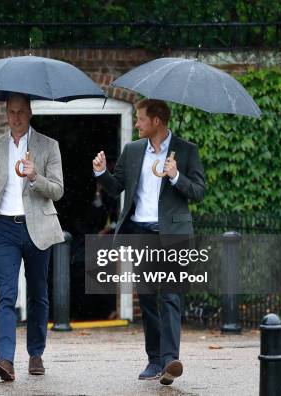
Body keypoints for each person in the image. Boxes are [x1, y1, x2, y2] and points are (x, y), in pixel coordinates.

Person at [92, 99, 205, 386]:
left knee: (170, 297)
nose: (138, 124)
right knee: (147, 299)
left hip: (172, 235)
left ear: (156, 121)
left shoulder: (187, 151)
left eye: (141, 119)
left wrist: (176, 176)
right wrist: (101, 172)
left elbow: (199, 191)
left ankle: (170, 361)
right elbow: (117, 187)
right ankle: (154, 359)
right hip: (140, 234)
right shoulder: (132, 151)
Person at [0, 94, 64, 381]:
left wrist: (35, 177)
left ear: (30, 113)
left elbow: (58, 190)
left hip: (38, 226)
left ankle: (36, 353)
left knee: (38, 294)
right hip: (4, 228)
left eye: (20, 112)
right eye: (11, 112)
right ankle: (5, 360)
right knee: (7, 294)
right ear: (6, 113)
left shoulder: (48, 145)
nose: (15, 117)